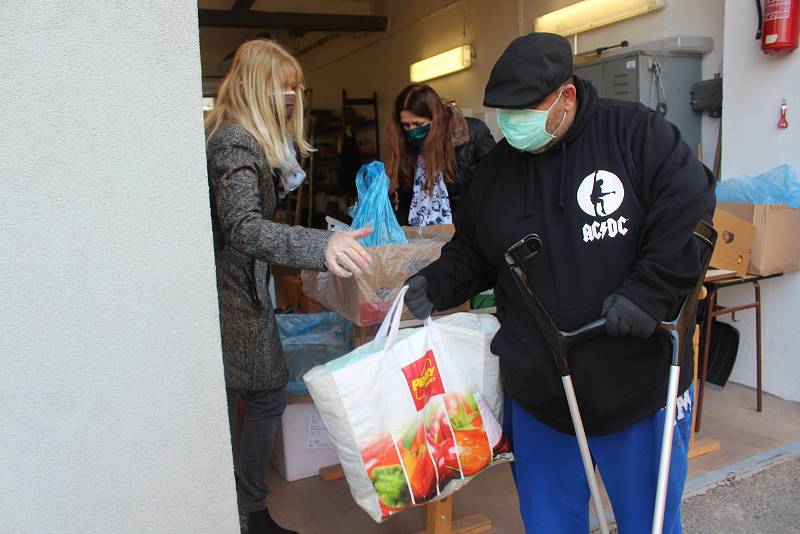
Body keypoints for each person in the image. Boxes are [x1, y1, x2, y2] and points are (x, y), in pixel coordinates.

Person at [404, 33, 715, 534]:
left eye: (525, 109)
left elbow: (689, 211)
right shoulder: (496, 172)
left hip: (637, 388)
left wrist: (647, 291)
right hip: (543, 397)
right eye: (505, 112)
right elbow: (473, 250)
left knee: (649, 525)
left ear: (566, 97)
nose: (513, 123)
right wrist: (435, 283)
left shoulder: (635, 135)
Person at [205, 39, 371, 534]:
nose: (294, 97)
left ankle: (242, 508)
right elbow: (242, 226)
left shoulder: (240, 138)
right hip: (234, 293)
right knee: (262, 394)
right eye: (286, 87)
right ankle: (248, 512)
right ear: (261, 87)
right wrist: (320, 246)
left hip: (239, 290)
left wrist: (279, 175)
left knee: (251, 395)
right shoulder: (235, 142)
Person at [386, 84, 495, 227]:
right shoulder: (405, 144)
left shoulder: (473, 135)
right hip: (422, 237)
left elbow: (494, 189)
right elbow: (406, 202)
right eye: (406, 125)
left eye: (418, 123)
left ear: (435, 119)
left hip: (470, 231)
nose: (412, 131)